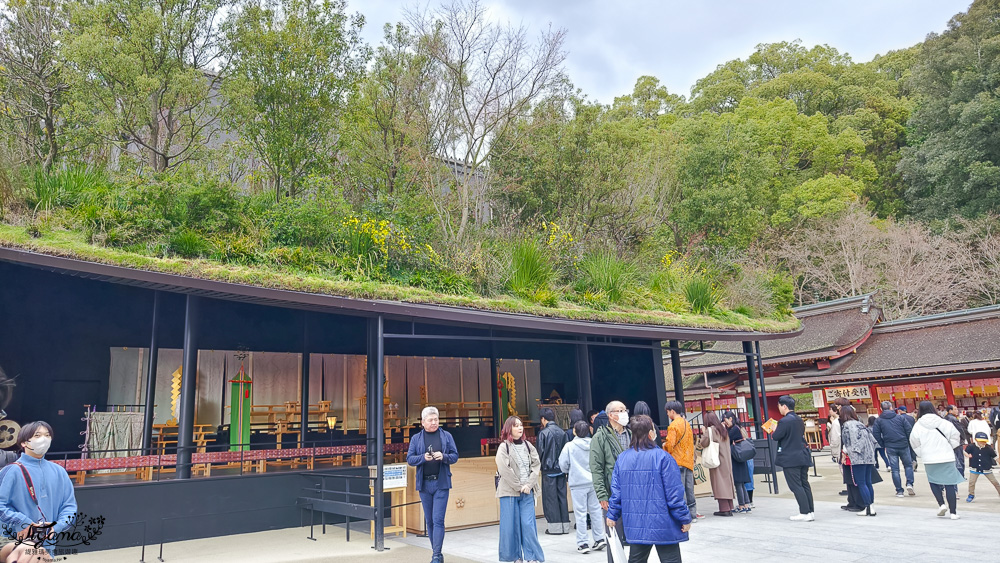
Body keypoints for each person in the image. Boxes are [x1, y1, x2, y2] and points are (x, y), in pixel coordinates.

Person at [606, 415, 692, 563]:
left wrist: (612, 514)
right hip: (663, 523)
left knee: (636, 560)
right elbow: (674, 495)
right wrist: (684, 518)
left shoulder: (622, 458)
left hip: (636, 523)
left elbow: (617, 492)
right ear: (651, 433)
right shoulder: (664, 458)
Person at [0, 422, 77, 559]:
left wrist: (55, 527)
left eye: (47, 435)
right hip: (14, 542)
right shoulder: (11, 471)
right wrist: (22, 522)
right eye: (37, 435)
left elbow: (69, 507)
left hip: (47, 543)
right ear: (24, 442)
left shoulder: (59, 472)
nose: (44, 439)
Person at [406, 407, 460, 563]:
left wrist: (444, 456)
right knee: (429, 521)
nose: (434, 422)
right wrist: (423, 457)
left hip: (441, 483)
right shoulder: (416, 438)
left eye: (436, 419)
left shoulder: (446, 436)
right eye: (430, 420)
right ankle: (437, 553)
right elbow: (410, 459)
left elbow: (455, 456)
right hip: (424, 484)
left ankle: (436, 555)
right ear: (423, 422)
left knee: (438, 520)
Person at [495, 416, 544, 563]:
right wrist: (518, 486)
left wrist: (528, 485)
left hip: (527, 491)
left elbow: (536, 465)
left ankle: (532, 557)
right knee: (511, 526)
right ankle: (515, 557)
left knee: (528, 525)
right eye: (516, 426)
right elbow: (504, 469)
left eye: (521, 425)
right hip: (509, 492)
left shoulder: (528, 445)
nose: (520, 428)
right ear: (509, 429)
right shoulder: (504, 447)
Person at [910, 400, 964, 519]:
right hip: (946, 456)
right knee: (949, 484)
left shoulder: (918, 425)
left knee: (933, 481)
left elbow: (914, 442)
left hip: (929, 458)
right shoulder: (943, 422)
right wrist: (950, 447)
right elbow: (955, 435)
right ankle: (953, 513)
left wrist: (922, 453)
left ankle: (941, 504)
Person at [558, 420, 607, 554]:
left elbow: (563, 464)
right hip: (593, 482)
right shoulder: (594, 444)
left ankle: (583, 543)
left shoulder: (569, 446)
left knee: (580, 513)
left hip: (577, 483)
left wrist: (570, 471)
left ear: (575, 431)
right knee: (596, 511)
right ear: (589, 431)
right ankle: (599, 538)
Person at [591, 401, 630, 563]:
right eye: (619, 411)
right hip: (612, 492)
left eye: (624, 410)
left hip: (633, 491)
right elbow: (596, 468)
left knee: (636, 537)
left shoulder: (631, 434)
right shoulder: (600, 437)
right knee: (614, 536)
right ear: (610, 415)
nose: (623, 413)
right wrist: (602, 495)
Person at [773, 395, 815, 521]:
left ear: (784, 406)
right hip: (802, 455)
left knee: (796, 485)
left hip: (791, 457)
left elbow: (776, 436)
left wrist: (775, 429)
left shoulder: (784, 421)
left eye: (779, 406)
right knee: (804, 483)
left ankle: (804, 512)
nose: (779, 408)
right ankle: (810, 511)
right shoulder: (798, 419)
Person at [664, 401, 701, 520]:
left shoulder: (673, 426)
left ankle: (684, 514)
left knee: (680, 489)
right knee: (690, 488)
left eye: (668, 412)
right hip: (688, 461)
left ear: (672, 411)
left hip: (677, 461)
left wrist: (664, 446)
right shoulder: (687, 423)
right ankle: (693, 513)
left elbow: (670, 445)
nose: (667, 414)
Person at [537, 407, 571, 535]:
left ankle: (555, 527)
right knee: (562, 497)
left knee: (550, 499)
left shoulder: (543, 433)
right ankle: (565, 525)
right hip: (561, 470)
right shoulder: (563, 432)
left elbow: (539, 453)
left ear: (543, 419)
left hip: (548, 470)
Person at [872, 400, 916, 498]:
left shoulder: (879, 420)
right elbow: (909, 430)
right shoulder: (900, 418)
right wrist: (908, 442)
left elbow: (876, 434)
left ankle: (899, 490)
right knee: (908, 466)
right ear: (891, 408)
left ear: (881, 409)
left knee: (895, 470)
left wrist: (883, 444)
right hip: (903, 444)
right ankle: (909, 483)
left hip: (890, 446)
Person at [840, 405, 878, 517]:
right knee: (868, 482)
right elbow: (872, 439)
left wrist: (847, 453)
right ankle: (871, 506)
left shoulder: (846, 426)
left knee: (861, 483)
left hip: (857, 457)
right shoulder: (860, 424)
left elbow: (847, 443)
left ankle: (867, 507)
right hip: (869, 456)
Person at [698, 412, 734, 517]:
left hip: (716, 460)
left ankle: (724, 508)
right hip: (726, 459)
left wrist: (704, 432)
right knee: (726, 482)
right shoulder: (723, 428)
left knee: (719, 483)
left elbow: (703, 443)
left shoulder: (711, 430)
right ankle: (729, 507)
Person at [722, 411, 752, 513]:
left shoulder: (733, 429)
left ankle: (741, 506)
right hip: (740, 458)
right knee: (741, 483)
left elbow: (726, 439)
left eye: (725, 421)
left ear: (730, 419)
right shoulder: (736, 428)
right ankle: (746, 504)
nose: (725, 423)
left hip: (736, 458)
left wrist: (723, 429)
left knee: (738, 483)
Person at [965, 431, 1000, 503]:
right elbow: (964, 451)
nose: (983, 443)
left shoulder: (988, 448)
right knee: (972, 482)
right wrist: (967, 455)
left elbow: (995, 457)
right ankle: (971, 494)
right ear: (976, 440)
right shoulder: (971, 446)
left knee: (995, 482)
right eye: (981, 441)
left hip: (986, 468)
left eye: (984, 441)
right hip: (974, 468)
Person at [945, 405, 970, 476]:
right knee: (959, 459)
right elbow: (960, 430)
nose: (957, 411)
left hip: (948, 441)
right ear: (950, 411)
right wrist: (963, 438)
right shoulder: (953, 419)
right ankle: (960, 475)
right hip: (956, 441)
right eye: (955, 409)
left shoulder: (945, 418)